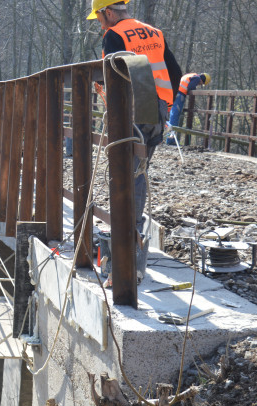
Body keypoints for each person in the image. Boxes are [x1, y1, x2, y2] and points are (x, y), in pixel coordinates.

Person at [88, 0, 182, 279]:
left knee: (124, 172)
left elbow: (114, 75)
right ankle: (133, 236)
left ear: (108, 12)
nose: (99, 24)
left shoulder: (114, 35)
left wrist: (106, 95)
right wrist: (164, 104)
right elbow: (175, 73)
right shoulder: (154, 32)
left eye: (99, 18)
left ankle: (125, 244)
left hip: (132, 111)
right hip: (156, 111)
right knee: (139, 172)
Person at [166, 73, 211, 145]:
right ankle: (170, 140)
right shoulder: (197, 78)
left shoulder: (191, 75)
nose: (199, 84)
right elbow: (191, 87)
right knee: (175, 116)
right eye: (201, 83)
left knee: (172, 115)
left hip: (175, 92)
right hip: (180, 94)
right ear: (203, 80)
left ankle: (170, 138)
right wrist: (194, 91)